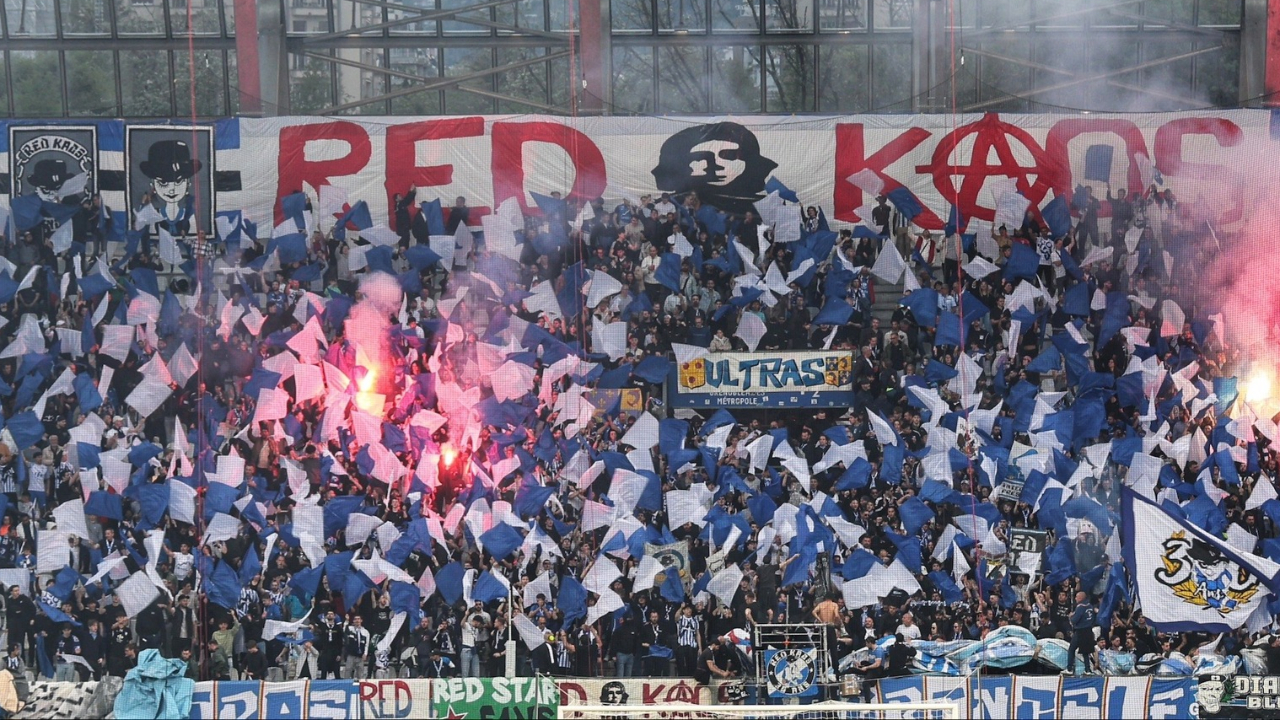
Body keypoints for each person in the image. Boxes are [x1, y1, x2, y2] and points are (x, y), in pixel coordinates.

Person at [1067, 591, 1098, 676]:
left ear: (1080, 598)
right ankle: (1087, 670)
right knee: (1086, 652)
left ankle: (1069, 669)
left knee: (1071, 649)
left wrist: (1071, 617)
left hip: (1080, 631)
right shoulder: (1090, 606)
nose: (1075, 598)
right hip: (1089, 630)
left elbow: (1075, 620)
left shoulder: (1080, 607)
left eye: (1077, 597)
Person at [343, 615, 372, 680]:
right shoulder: (350, 629)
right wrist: (347, 621)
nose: (357, 621)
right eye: (355, 619)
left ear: (361, 620)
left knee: (360, 672)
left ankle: (361, 686)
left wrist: (365, 653)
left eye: (358, 619)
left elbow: (367, 644)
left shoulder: (365, 632)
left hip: (360, 655)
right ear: (353, 621)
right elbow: (344, 629)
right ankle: (346, 685)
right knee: (348, 670)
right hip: (351, 654)